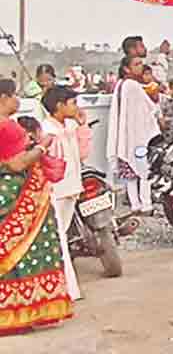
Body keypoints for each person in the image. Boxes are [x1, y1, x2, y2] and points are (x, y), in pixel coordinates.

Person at [0, 78, 73, 333]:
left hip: (7, 196)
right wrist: (42, 148)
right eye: (14, 95)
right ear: (3, 97)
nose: (18, 100)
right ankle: (20, 313)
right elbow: (16, 164)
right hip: (18, 196)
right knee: (25, 253)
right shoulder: (6, 127)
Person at [40, 86, 91, 302]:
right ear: (59, 106)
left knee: (62, 235)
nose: (76, 107)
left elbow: (82, 154)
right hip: (57, 190)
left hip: (71, 188)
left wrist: (82, 127)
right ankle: (68, 288)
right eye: (72, 103)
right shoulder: (47, 131)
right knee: (59, 236)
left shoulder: (69, 126)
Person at [107, 54, 161, 215]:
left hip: (125, 137)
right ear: (126, 68)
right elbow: (149, 108)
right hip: (138, 137)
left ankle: (135, 205)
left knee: (130, 174)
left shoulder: (121, 85)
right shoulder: (132, 86)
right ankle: (146, 205)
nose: (140, 67)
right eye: (137, 64)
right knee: (144, 172)